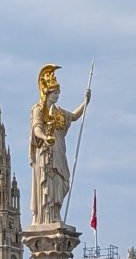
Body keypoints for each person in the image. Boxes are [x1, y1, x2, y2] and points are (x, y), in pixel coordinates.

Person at [28, 64, 90, 226]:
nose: (57, 96)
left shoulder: (59, 112)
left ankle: (55, 213)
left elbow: (75, 116)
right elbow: (36, 128)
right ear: (47, 93)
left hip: (59, 151)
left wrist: (86, 102)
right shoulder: (38, 110)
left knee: (62, 182)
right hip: (45, 153)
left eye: (58, 93)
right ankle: (46, 215)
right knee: (48, 183)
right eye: (55, 93)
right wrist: (45, 137)